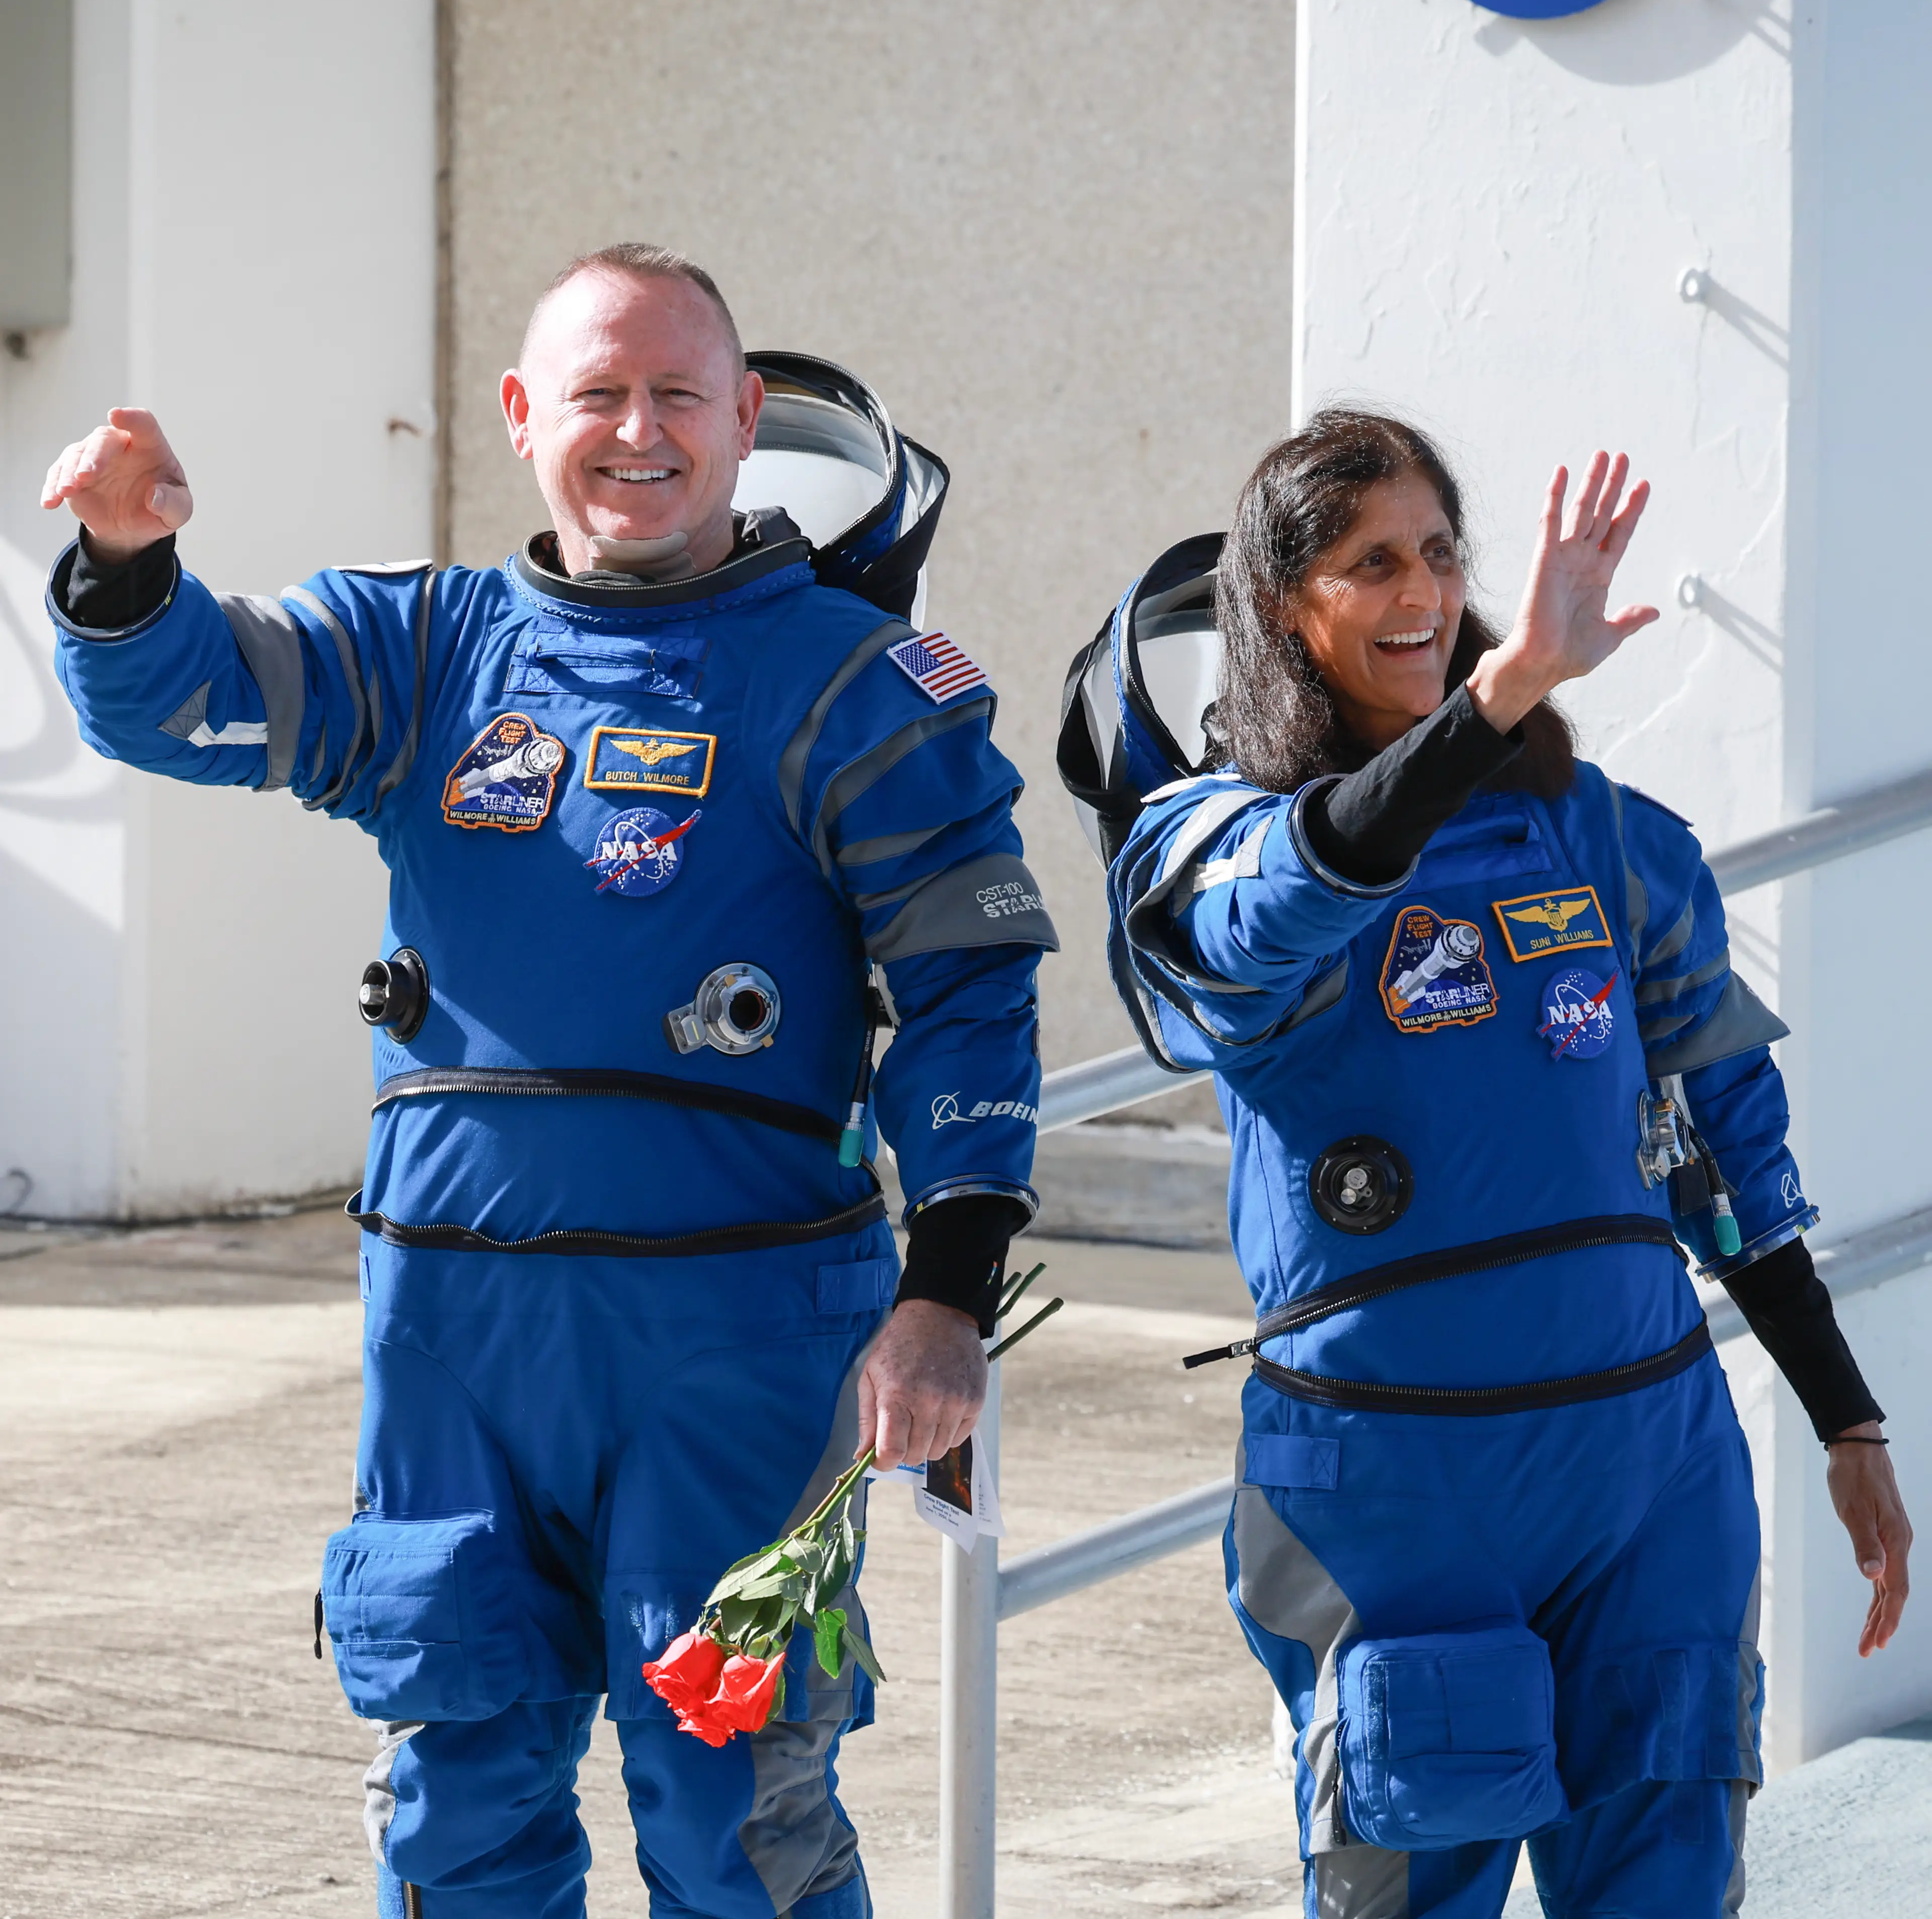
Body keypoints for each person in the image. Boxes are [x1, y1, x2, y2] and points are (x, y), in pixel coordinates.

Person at [40, 244, 1057, 1919]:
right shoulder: (422, 652)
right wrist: (126, 565)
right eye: (597, 392)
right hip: (456, 1357)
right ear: (523, 416)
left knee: (737, 1807)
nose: (637, 430)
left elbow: (969, 993)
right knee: (458, 1811)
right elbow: (188, 697)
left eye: (676, 393)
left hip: (735, 1361)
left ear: (745, 417)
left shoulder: (855, 688)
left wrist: (944, 1294)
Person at [1100, 413, 1910, 1919]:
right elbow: (1282, 905)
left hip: (1648, 1477)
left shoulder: (1597, 837)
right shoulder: (1203, 841)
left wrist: (1847, 1418)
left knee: (1668, 1888)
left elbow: (1729, 1145)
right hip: (1398, 1500)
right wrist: (1495, 698)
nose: (1422, 587)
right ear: (1285, 608)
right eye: (1372, 562)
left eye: (1440, 551)